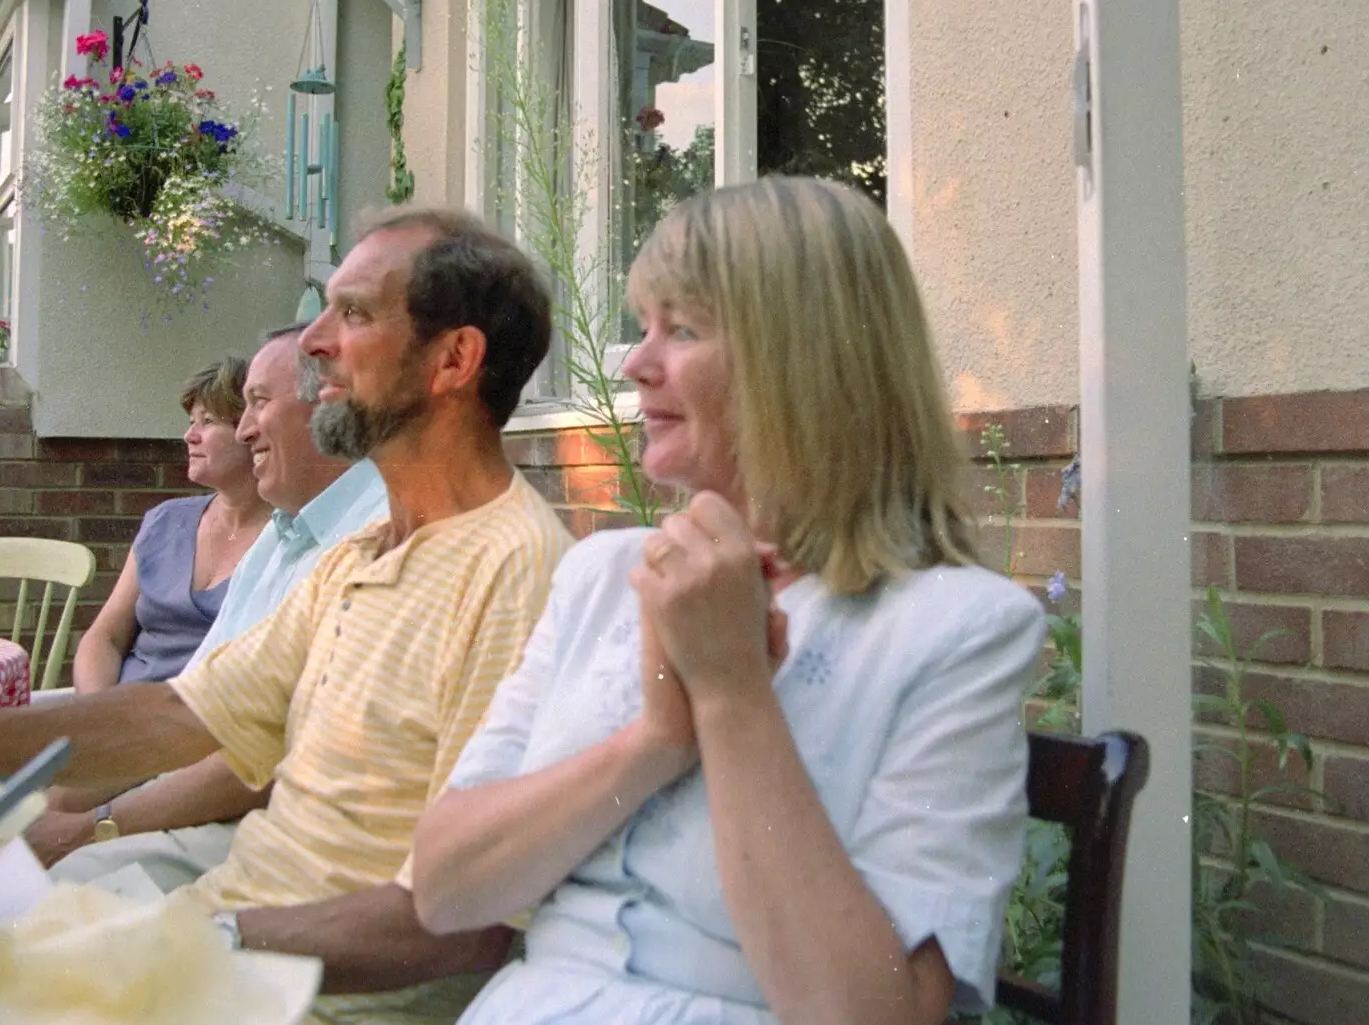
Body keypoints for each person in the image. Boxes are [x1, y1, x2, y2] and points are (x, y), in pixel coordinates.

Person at [410, 177, 1047, 1025]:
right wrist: (654, 741)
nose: (635, 362)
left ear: (807, 363)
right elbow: (447, 888)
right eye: (645, 326)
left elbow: (871, 1015)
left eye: (682, 329)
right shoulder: (602, 575)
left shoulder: (954, 630)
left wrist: (731, 692)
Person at [0, 206, 575, 1024]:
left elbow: (466, 921)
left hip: (310, 995)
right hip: (224, 942)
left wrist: (193, 943)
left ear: (454, 358)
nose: (315, 341)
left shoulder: (516, 571)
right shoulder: (360, 553)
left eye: (352, 313)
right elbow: (179, 714)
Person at [26, 324, 388, 883]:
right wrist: (72, 774)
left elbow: (264, 762)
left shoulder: (373, 537)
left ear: (331, 407)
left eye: (256, 405)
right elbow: (187, 705)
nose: (243, 432)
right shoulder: (287, 534)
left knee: (45, 891)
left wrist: (93, 824)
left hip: (272, 824)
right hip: (175, 771)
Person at [71, 356, 268, 693]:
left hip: (205, 732)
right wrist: (97, 713)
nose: (189, 436)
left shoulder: (289, 538)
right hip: (119, 712)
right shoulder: (165, 521)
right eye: (192, 421)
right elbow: (104, 637)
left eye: (208, 421)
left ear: (250, 431)